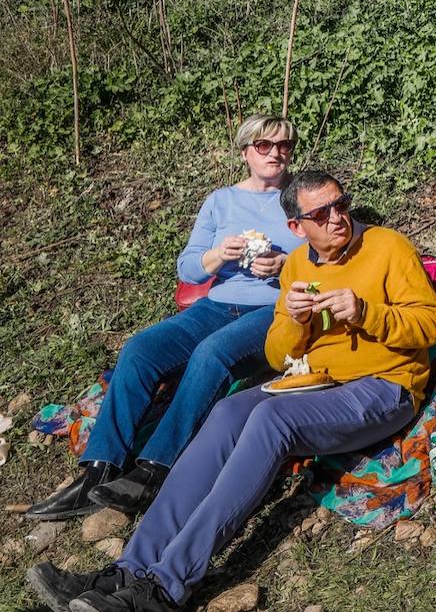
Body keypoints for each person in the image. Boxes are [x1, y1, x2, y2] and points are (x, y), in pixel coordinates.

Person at [27, 170, 436, 612]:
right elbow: (278, 352)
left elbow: (431, 326)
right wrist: (296, 321)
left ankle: (165, 587)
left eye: (340, 205)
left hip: (383, 387)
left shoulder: (387, 247)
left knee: (270, 420)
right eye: (320, 213)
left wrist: (366, 312)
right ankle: (130, 569)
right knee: (227, 412)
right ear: (296, 227)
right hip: (312, 381)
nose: (337, 218)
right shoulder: (300, 264)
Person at [25, 116, 301, 523]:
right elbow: (190, 269)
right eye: (265, 145)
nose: (276, 153)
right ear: (245, 151)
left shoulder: (300, 197)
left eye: (284, 146)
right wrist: (218, 256)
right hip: (216, 306)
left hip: (272, 311)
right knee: (140, 350)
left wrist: (283, 264)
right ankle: (98, 471)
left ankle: (154, 470)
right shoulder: (220, 201)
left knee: (211, 353)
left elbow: (326, 254)